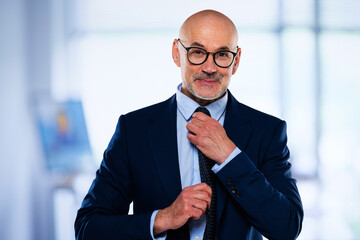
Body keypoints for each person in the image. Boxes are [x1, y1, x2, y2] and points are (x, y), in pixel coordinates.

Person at [75, 9, 303, 240]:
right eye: (197, 52)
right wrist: (163, 218)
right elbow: (88, 229)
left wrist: (230, 156)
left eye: (222, 54)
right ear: (177, 53)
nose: (209, 68)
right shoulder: (134, 130)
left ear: (236, 61)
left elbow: (286, 228)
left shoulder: (267, 131)